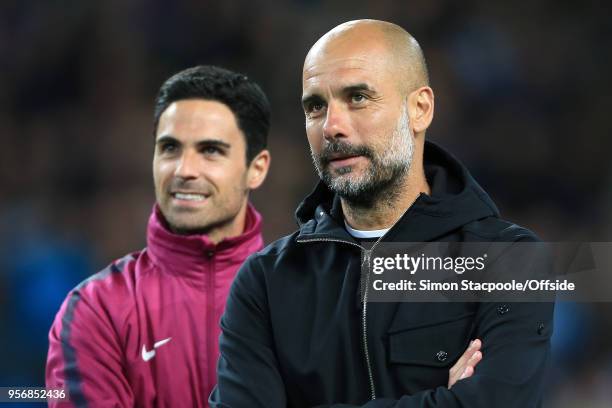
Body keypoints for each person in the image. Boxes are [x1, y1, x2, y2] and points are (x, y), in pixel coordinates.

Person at [210, 20, 553, 407]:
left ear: (420, 109)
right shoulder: (265, 282)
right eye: (315, 106)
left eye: (357, 97)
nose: (331, 126)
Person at [46, 65, 271, 407]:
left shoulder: (301, 296)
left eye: (210, 150)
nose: (184, 170)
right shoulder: (96, 308)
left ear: (256, 168)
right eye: (170, 148)